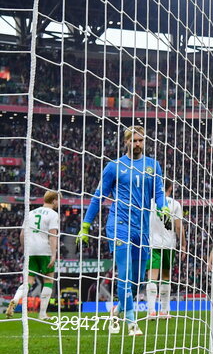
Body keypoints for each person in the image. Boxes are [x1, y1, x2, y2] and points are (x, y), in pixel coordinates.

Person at [77, 126, 169, 336]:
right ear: (126, 142)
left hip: (142, 228)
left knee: (137, 281)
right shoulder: (113, 167)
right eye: (134, 140)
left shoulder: (152, 166)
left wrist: (163, 207)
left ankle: (117, 312)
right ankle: (131, 323)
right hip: (119, 224)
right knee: (125, 274)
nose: (137, 144)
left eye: (140, 140)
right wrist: (85, 225)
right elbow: (98, 196)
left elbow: (159, 193)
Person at [7, 191, 60, 320]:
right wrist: (53, 255)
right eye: (58, 200)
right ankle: (42, 314)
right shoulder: (53, 214)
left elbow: (22, 235)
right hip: (45, 250)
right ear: (53, 200)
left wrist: (25, 250)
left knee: (29, 281)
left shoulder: (30, 213)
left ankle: (15, 298)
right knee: (48, 280)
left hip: (31, 250)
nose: (59, 203)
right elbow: (52, 236)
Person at [146, 180, 183, 319]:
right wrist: (183, 244)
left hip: (152, 243)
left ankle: (151, 311)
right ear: (171, 188)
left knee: (152, 277)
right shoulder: (175, 204)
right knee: (166, 277)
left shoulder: (150, 203)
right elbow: (178, 227)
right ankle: (164, 311)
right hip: (169, 244)